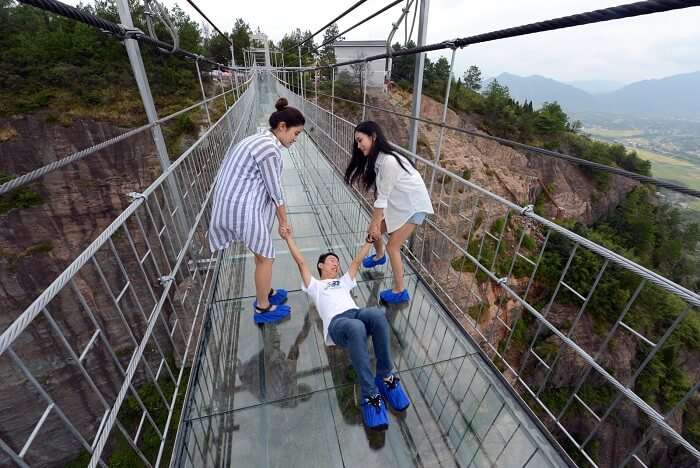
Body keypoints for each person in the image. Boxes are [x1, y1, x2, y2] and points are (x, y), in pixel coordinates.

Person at [284, 234, 411, 431]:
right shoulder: (315, 286)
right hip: (338, 324)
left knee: (377, 316)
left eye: (337, 261)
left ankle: (385, 378)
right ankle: (369, 394)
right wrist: (288, 238)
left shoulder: (344, 281)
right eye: (331, 261)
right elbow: (300, 262)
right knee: (356, 327)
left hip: (356, 313)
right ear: (320, 266)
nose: (336, 264)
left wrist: (369, 242)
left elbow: (357, 261)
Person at [210, 97, 305, 324]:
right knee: (267, 257)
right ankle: (263, 307)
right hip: (242, 207)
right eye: (296, 133)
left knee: (261, 252)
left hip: (234, 201)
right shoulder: (269, 149)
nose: (295, 139)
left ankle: (267, 291)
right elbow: (275, 190)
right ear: (282, 127)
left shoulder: (260, 139)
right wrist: (283, 222)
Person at [344, 121, 433, 304]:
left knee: (392, 245)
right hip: (401, 204)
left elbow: (382, 197)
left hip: (414, 207)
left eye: (361, 141)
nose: (359, 146)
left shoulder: (389, 161)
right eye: (357, 143)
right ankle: (379, 256)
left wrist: (375, 222)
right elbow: (383, 195)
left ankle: (400, 291)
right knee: (374, 230)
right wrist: (376, 222)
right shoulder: (379, 159)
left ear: (373, 137)